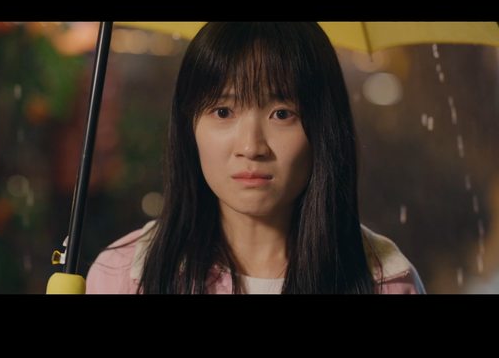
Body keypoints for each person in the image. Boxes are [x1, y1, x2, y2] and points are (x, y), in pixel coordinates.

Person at [86, 22, 426, 294]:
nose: (251, 147)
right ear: (189, 127)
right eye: (223, 111)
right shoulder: (126, 276)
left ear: (324, 129)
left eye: (282, 114)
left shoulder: (386, 281)